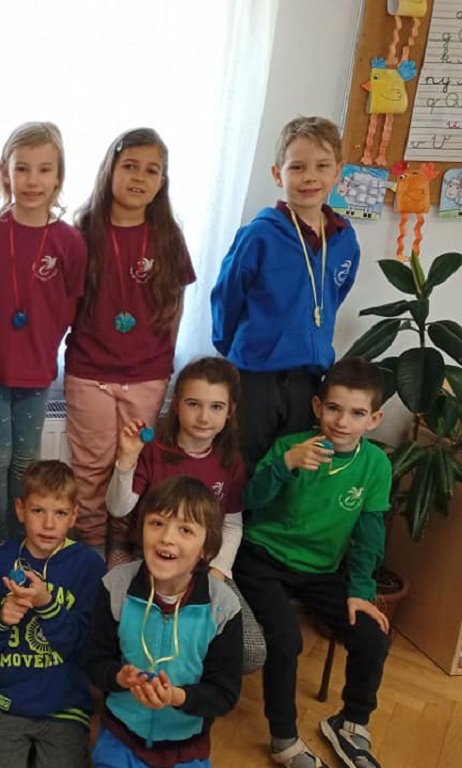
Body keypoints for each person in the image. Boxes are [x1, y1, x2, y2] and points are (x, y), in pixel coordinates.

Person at [234, 358, 391, 768]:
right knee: (286, 640)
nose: (342, 422)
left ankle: (351, 723)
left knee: (372, 636)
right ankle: (284, 738)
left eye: (357, 413)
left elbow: (370, 536)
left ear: (373, 419)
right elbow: (248, 500)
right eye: (334, 408)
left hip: (321, 571)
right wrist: (285, 466)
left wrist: (361, 591)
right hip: (262, 557)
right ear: (318, 407)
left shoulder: (376, 465)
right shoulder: (292, 447)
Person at [64, 128, 195, 564]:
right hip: (89, 374)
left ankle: (121, 544)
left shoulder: (168, 236)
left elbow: (175, 306)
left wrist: (163, 364)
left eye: (151, 170)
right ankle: (89, 547)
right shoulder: (83, 232)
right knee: (90, 469)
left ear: (162, 182)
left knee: (132, 463)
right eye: (130, 166)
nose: (140, 177)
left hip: (147, 376)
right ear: (110, 170)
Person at [210, 116, 359, 475]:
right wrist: (233, 349)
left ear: (338, 172)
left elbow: (334, 294)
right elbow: (227, 296)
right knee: (245, 462)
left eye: (322, 166)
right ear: (278, 174)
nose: (310, 177)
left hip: (308, 374)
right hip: (255, 372)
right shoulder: (258, 235)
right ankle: (237, 514)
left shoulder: (344, 239)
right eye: (298, 167)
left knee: (294, 462)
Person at [105, 356, 265, 673]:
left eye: (216, 407)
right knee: (138, 635)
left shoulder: (230, 460)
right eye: (194, 404)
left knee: (251, 652)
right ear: (176, 403)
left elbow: (232, 524)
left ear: (230, 411)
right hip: (152, 557)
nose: (204, 417)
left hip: (204, 564)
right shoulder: (153, 449)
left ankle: (192, 684)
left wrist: (218, 571)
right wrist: (127, 460)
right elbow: (118, 508)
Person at [0, 122, 87, 548]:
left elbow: (72, 305)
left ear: (58, 177)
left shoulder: (70, 242)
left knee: (25, 462)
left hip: (37, 370)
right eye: (22, 169)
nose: (32, 180)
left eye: (44, 170)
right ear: (6, 173)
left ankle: (26, 549)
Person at [87, 476, 243, 768]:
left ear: (207, 549)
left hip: (187, 747)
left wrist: (176, 696)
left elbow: (224, 694)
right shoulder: (115, 587)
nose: (167, 538)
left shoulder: (223, 609)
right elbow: (94, 661)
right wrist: (119, 678)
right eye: (157, 523)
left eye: (185, 529)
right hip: (121, 736)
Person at [0, 460, 104, 768]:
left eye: (60, 513)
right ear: (20, 509)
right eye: (38, 510)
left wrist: (47, 605)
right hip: (5, 701)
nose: (49, 524)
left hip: (65, 705)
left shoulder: (88, 567)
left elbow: (86, 648)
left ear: (74, 515)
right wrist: (0, 619)